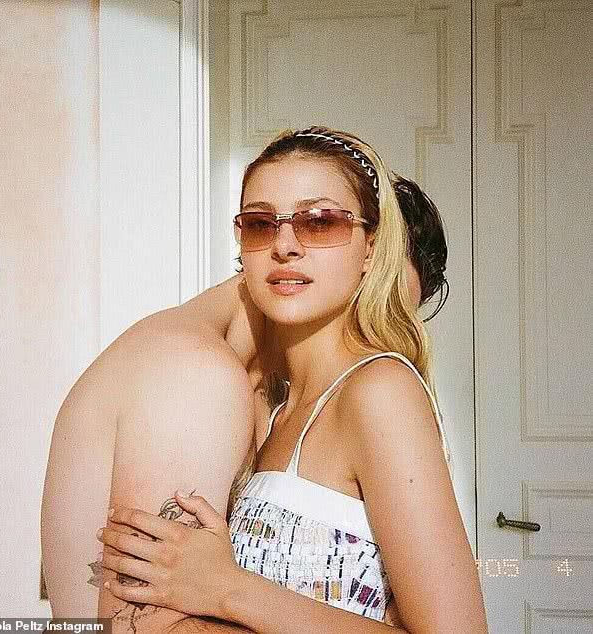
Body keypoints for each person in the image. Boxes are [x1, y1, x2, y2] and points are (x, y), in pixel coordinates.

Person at [41, 144, 451, 632]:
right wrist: (229, 588)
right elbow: (140, 621)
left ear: (371, 251)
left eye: (320, 223)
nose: (286, 245)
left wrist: (231, 588)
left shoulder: (283, 394)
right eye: (260, 223)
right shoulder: (195, 376)